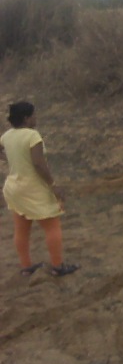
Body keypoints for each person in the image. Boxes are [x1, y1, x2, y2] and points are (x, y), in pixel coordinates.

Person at [0, 102, 79, 277]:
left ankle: (26, 267)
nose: (36, 118)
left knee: (21, 229)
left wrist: (12, 160)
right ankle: (58, 266)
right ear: (26, 118)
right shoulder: (32, 135)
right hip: (33, 189)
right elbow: (38, 164)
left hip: (13, 188)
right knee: (52, 226)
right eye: (33, 115)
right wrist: (53, 185)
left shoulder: (7, 136)